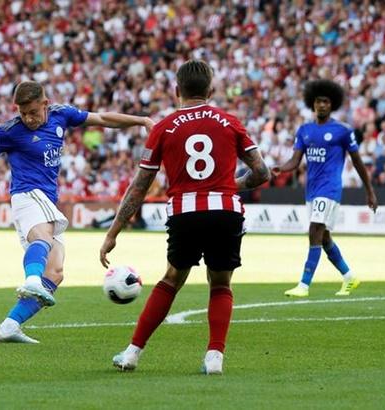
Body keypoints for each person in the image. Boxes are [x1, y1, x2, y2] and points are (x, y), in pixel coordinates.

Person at [0, 81, 153, 343]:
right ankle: (32, 280)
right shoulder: (10, 131)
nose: (28, 118)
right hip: (26, 195)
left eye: (33, 112)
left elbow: (103, 118)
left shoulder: (62, 114)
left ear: (45, 104)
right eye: (23, 113)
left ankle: (9, 326)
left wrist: (141, 120)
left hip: (48, 199)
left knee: (56, 272)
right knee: (43, 237)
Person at [99, 60, 270, 375]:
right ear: (211, 90)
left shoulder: (163, 128)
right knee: (220, 283)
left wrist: (113, 233)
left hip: (185, 212)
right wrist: (232, 185)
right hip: (225, 210)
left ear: (177, 90)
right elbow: (262, 172)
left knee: (172, 280)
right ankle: (214, 358)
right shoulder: (230, 122)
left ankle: (132, 353)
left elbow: (139, 187)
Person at [272, 80, 377, 297]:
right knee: (324, 237)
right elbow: (295, 160)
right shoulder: (304, 130)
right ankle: (349, 277)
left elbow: (357, 162)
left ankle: (304, 285)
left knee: (314, 231)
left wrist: (369, 190)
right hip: (311, 190)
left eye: (326, 102)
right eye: (318, 101)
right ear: (312, 104)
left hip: (329, 189)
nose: (322, 105)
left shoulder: (342, 131)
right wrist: (280, 169)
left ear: (333, 105)